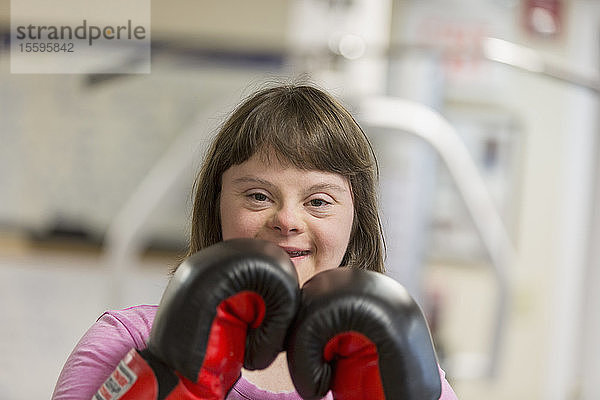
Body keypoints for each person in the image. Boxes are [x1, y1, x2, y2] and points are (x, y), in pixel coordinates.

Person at [51, 83, 458, 399]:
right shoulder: (130, 342)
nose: (286, 220)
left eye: (318, 201)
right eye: (258, 196)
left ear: (357, 218)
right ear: (217, 205)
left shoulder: (390, 363)